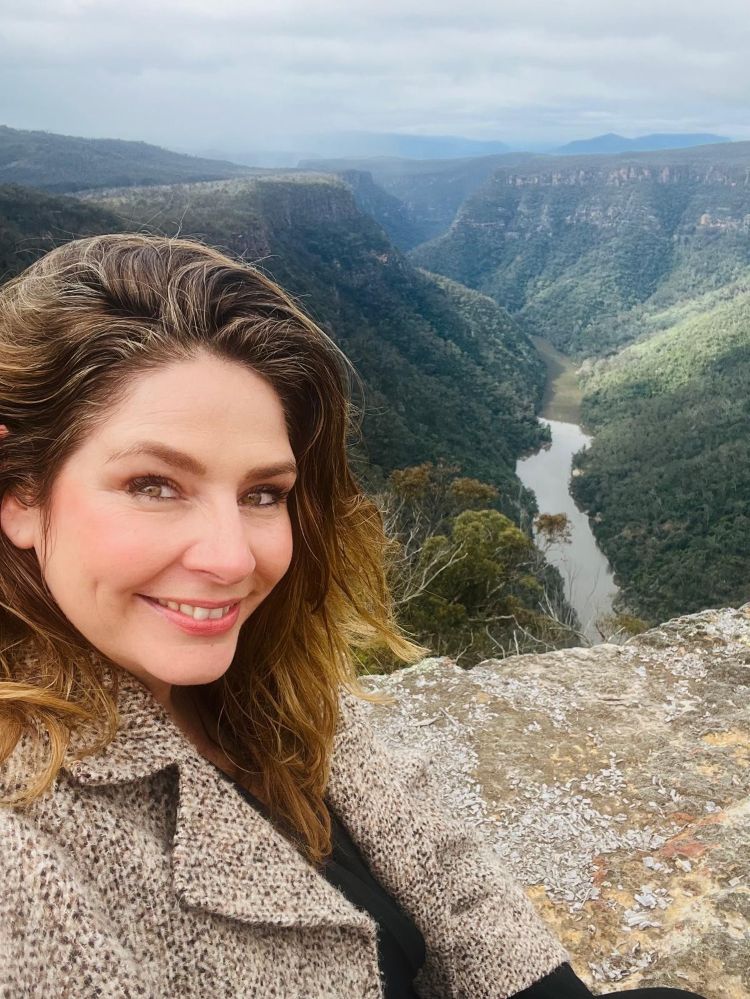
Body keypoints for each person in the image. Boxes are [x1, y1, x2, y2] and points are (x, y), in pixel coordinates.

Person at [0, 234, 707, 999]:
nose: (233, 558)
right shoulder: (26, 865)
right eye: (155, 484)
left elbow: (438, 864)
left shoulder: (263, 683)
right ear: (21, 491)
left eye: (263, 493)